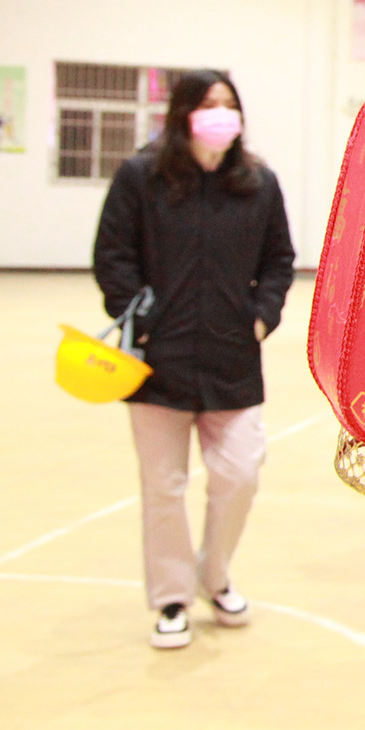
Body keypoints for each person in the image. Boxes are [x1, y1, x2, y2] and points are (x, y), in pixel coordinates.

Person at [94, 70, 295, 650]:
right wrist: (142, 318)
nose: (220, 115)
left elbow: (279, 259)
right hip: (157, 360)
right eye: (208, 104)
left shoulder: (258, 183)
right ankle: (172, 597)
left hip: (232, 358)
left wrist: (262, 317)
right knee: (163, 486)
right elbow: (112, 255)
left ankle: (215, 573)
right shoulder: (141, 177)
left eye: (229, 104)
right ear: (182, 114)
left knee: (240, 474)